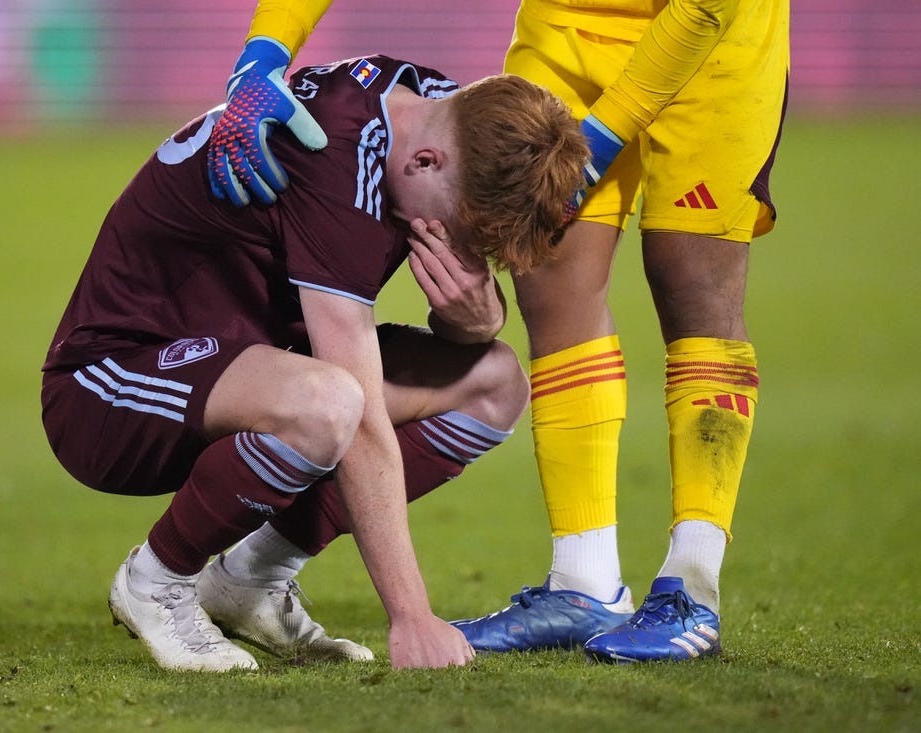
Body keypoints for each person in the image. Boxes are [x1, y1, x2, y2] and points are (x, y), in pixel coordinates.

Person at [207, 0, 789, 663]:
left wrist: (608, 131)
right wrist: (267, 47)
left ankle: (692, 582)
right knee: (549, 279)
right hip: (566, 37)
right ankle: (585, 579)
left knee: (691, 283)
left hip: (708, 48)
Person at [40, 54, 589, 672]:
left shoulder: (430, 106)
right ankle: (156, 583)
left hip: (251, 363)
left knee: (493, 381)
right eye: (464, 225)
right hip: (110, 384)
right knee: (331, 405)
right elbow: (357, 420)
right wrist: (411, 617)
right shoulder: (338, 164)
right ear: (426, 163)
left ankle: (252, 578)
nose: (460, 245)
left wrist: (477, 323)